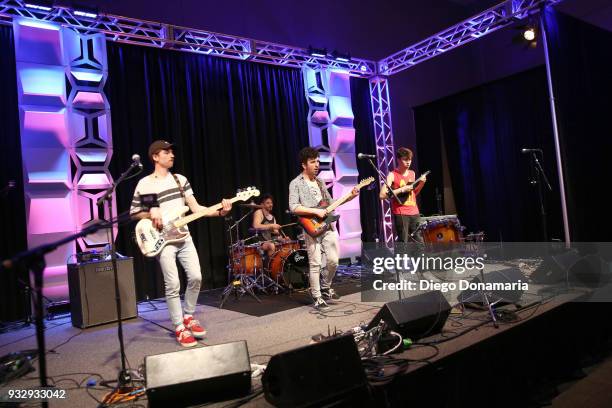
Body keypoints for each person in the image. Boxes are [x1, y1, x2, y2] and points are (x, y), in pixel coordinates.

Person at [130, 140, 232, 347]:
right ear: (155, 157)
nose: (171, 155)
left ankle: (188, 316)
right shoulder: (146, 184)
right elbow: (134, 214)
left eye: (172, 152)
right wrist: (150, 211)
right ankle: (178, 326)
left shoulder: (180, 180)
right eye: (166, 152)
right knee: (173, 284)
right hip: (163, 240)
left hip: (184, 237)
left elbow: (196, 209)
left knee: (196, 277)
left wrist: (221, 211)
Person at [288, 147, 359, 311]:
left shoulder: (320, 182)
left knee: (333, 261)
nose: (317, 164)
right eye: (313, 162)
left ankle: (326, 287)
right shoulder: (296, 183)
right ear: (304, 165)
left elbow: (332, 202)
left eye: (318, 161)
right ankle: (317, 296)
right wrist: (315, 211)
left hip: (328, 225)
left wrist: (350, 196)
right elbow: (293, 207)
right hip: (311, 227)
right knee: (315, 263)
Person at [379, 147, 426, 243]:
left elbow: (413, 194)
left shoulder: (412, 173)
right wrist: (401, 189)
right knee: (403, 243)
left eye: (410, 160)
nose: (408, 162)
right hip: (401, 213)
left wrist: (421, 183)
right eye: (405, 160)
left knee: (419, 242)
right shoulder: (392, 175)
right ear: (398, 160)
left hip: (414, 212)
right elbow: (382, 195)